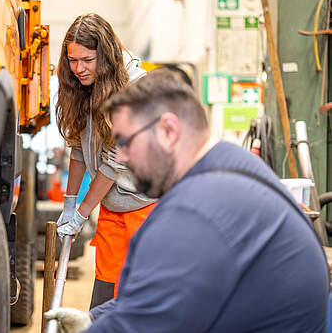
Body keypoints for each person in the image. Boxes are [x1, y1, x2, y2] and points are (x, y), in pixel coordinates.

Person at [46, 68, 329, 332]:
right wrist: (96, 317)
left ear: (168, 131)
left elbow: (154, 320)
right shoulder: (229, 163)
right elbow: (169, 287)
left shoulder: (197, 209)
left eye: (125, 142)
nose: (121, 157)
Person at [54, 13, 156, 308]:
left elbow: (115, 162)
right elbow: (77, 146)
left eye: (87, 60)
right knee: (104, 291)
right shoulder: (82, 88)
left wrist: (83, 212)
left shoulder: (134, 90)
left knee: (141, 294)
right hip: (113, 202)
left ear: (105, 56)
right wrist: (70, 201)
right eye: (73, 61)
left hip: (149, 204)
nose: (79, 69)